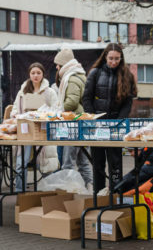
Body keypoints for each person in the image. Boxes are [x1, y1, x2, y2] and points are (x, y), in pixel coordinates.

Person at [83, 43, 137, 192]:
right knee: (98, 164)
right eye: (111, 58)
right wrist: (94, 117)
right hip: (97, 126)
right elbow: (86, 98)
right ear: (105, 57)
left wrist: (119, 120)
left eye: (117, 59)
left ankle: (116, 194)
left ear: (121, 58)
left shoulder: (127, 75)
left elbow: (128, 101)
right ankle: (99, 194)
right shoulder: (95, 73)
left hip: (116, 125)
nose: (114, 62)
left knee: (115, 164)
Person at [11, 62, 59, 190]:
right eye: (33, 73)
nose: (35, 76)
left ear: (43, 74)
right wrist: (16, 115)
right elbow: (15, 109)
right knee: (21, 163)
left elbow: (56, 111)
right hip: (25, 131)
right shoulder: (22, 91)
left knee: (45, 163)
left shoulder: (50, 92)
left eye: (38, 73)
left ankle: (49, 192)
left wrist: (43, 114)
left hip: (42, 131)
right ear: (29, 74)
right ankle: (19, 192)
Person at [54, 46, 93, 189]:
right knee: (83, 161)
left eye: (58, 64)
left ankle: (68, 190)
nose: (57, 67)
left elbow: (71, 102)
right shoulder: (78, 75)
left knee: (68, 161)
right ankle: (90, 188)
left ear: (64, 64)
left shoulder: (71, 78)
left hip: (73, 125)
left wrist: (58, 109)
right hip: (82, 123)